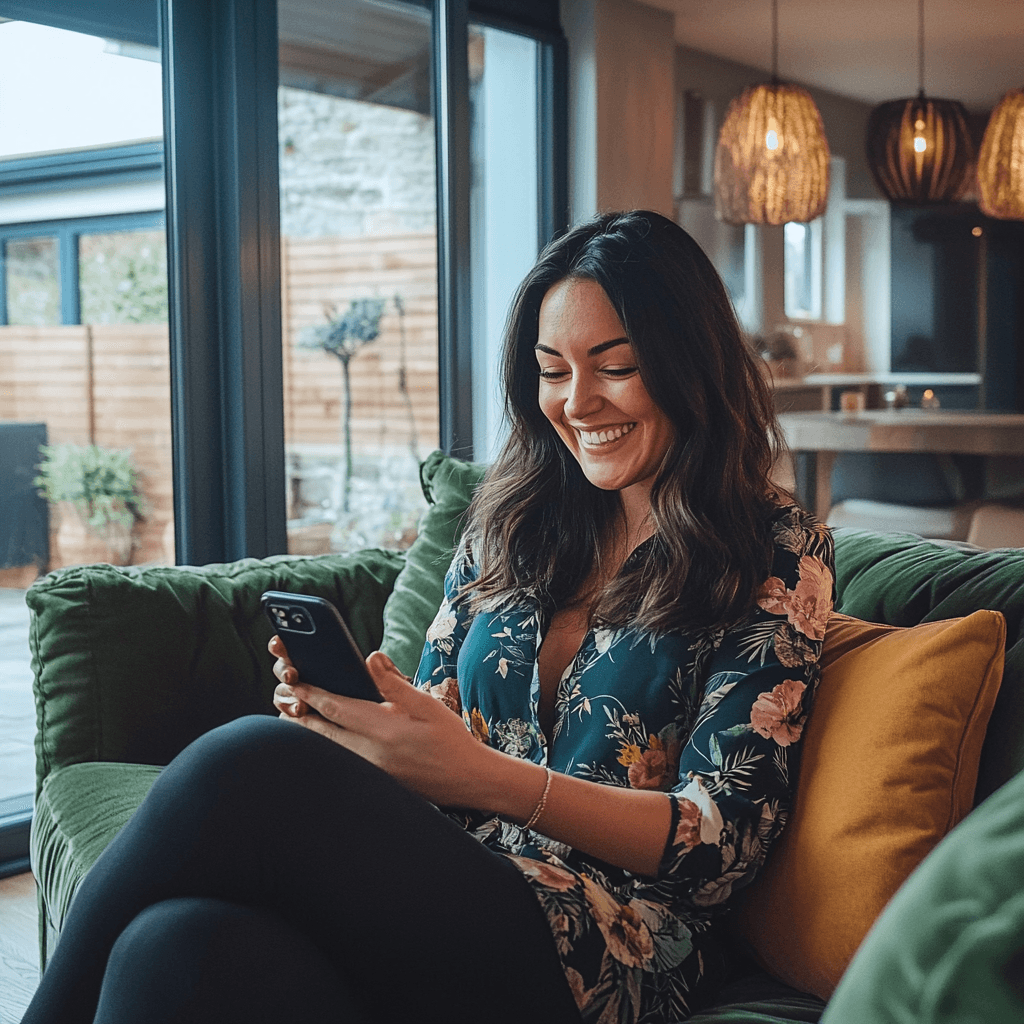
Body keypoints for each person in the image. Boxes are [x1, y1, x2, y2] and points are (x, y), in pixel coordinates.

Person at [23, 210, 834, 1024]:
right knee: (173, 946)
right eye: (552, 371)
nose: (578, 401)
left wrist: (483, 777)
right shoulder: (507, 524)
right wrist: (360, 732)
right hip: (450, 885)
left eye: (614, 367)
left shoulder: (774, 550)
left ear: (691, 364)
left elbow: (718, 844)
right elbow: (434, 719)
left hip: (615, 942)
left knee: (246, 764)